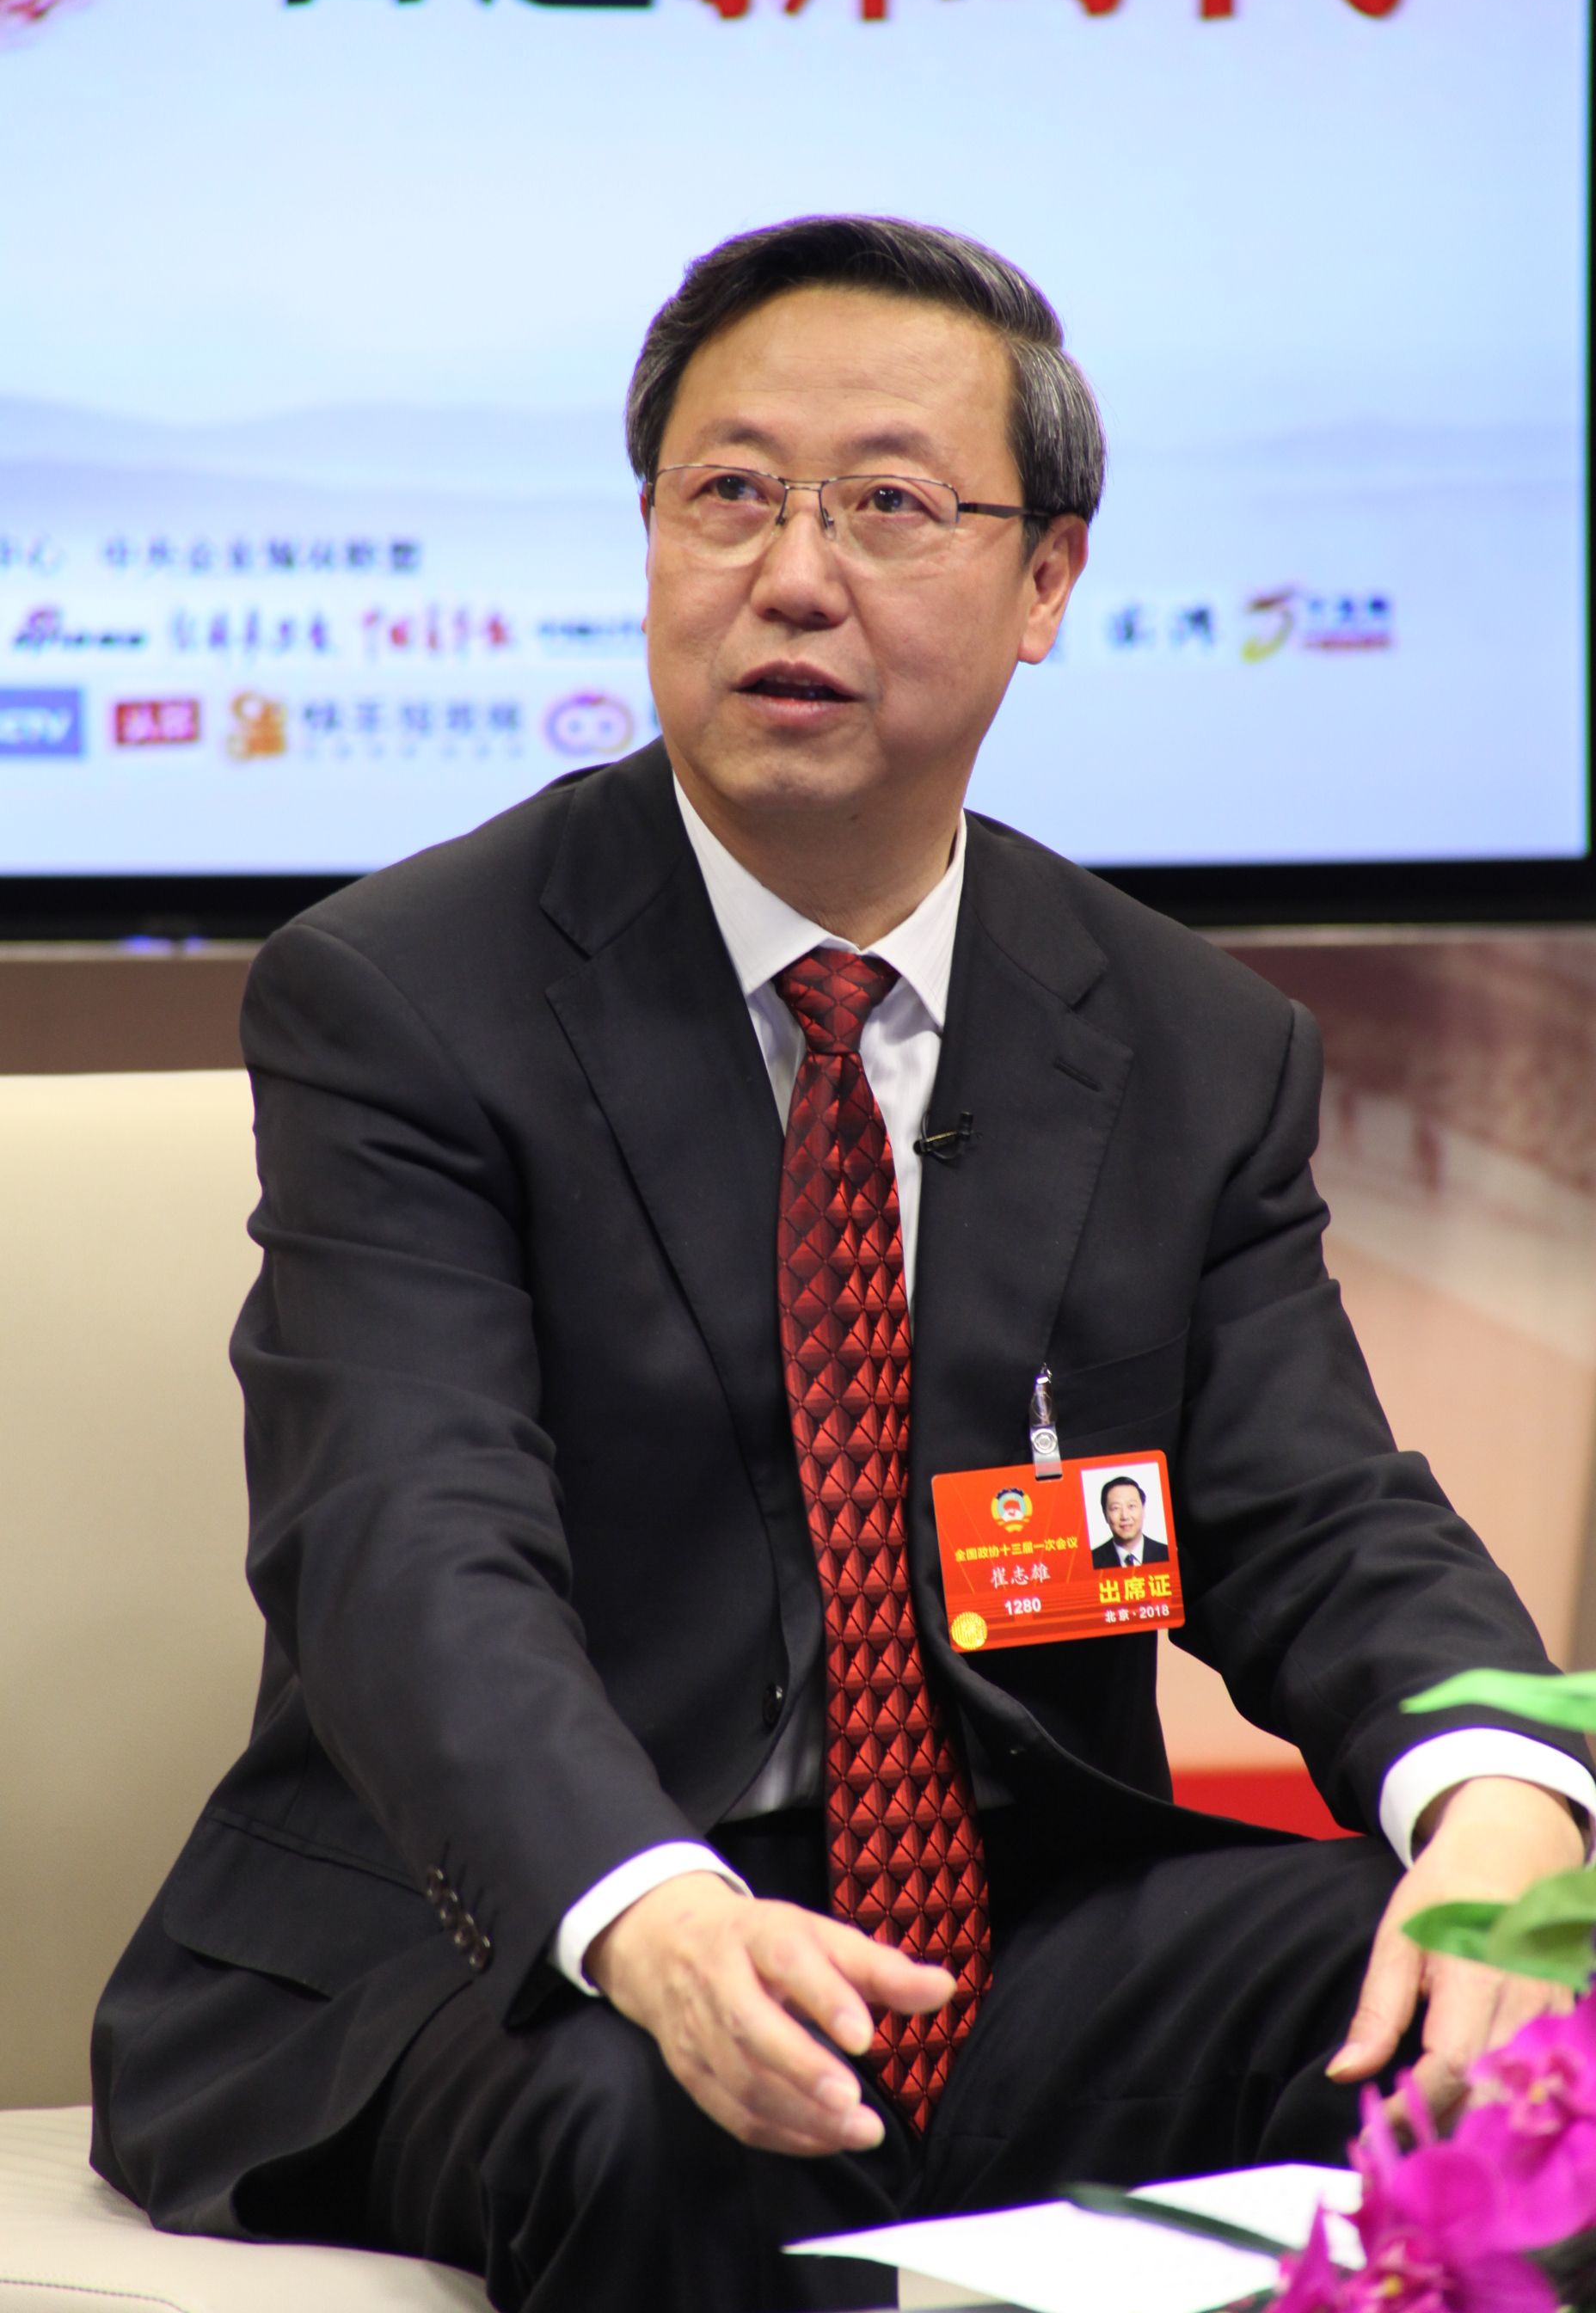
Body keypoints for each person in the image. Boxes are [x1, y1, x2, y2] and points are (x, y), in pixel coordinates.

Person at [91, 217, 1595, 2313]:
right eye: (728, 493)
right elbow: (405, 1542)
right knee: (674, 2112)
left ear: (1046, 580)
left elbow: (1318, 1513)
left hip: (1002, 1929)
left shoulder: (1185, 1039)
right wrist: (650, 1908)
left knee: (1506, 2026)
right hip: (513, 1952)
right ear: (650, 538)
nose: (791, 575)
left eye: (887, 505)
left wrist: (1502, 1799)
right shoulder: (405, 994)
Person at [1090, 1476, 1168, 1568]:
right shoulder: (1092, 1561)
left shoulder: (1167, 1554)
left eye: (1131, 1506)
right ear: (1105, 1514)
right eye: (1116, 1508)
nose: (1125, 1516)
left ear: (1144, 1509)